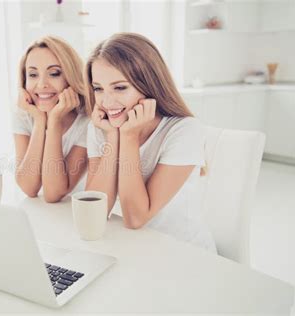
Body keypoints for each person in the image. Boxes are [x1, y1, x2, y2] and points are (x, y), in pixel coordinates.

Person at [84, 33, 216, 252]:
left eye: (120, 87)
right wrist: (113, 137)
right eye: (98, 88)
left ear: (148, 85)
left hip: (185, 253)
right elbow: (95, 211)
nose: (106, 102)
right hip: (135, 249)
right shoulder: (102, 127)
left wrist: (128, 137)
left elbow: (135, 218)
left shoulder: (184, 130)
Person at [13, 36, 89, 203]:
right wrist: (40, 122)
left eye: (54, 73)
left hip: (74, 216)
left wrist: (53, 122)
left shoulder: (87, 122)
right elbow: (28, 187)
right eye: (33, 74)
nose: (41, 84)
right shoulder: (25, 113)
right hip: (40, 214)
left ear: (70, 77)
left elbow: (53, 194)